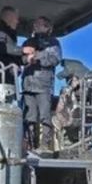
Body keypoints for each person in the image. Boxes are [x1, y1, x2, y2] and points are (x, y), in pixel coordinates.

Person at [21, 16, 62, 153]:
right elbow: (20, 57)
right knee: (29, 115)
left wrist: (37, 58)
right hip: (28, 83)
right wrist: (27, 59)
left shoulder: (53, 43)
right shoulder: (28, 42)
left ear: (47, 27)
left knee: (45, 115)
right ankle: (30, 145)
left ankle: (45, 145)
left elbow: (55, 59)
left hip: (43, 84)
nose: (36, 26)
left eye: (39, 24)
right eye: (35, 24)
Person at [0, 6, 24, 83]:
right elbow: (1, 48)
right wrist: (22, 50)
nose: (18, 22)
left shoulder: (7, 35)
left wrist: (25, 59)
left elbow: (8, 55)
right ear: (9, 18)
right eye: (16, 19)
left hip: (5, 76)